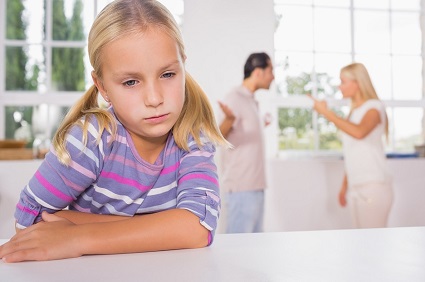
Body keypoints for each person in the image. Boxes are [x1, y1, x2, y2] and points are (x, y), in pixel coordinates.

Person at [0, 0, 228, 263]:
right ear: (102, 86)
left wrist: (77, 237)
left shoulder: (194, 137)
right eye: (131, 81)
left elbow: (198, 228)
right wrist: (164, 227)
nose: (154, 98)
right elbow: (28, 217)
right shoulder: (92, 139)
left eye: (167, 74)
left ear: (183, 66)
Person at [309, 62, 393, 228]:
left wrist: (326, 113)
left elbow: (359, 132)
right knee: (361, 244)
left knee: (373, 243)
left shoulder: (374, 108)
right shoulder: (353, 112)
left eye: (343, 82)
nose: (340, 87)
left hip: (373, 186)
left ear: (358, 83)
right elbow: (353, 152)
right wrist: (344, 186)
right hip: (356, 186)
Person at [218, 52, 274, 233]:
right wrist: (228, 119)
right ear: (258, 72)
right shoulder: (234, 97)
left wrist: (261, 125)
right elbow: (219, 137)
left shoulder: (251, 100)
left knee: (254, 249)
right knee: (238, 250)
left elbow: (241, 136)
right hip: (241, 188)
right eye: (270, 70)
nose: (273, 76)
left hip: (256, 186)